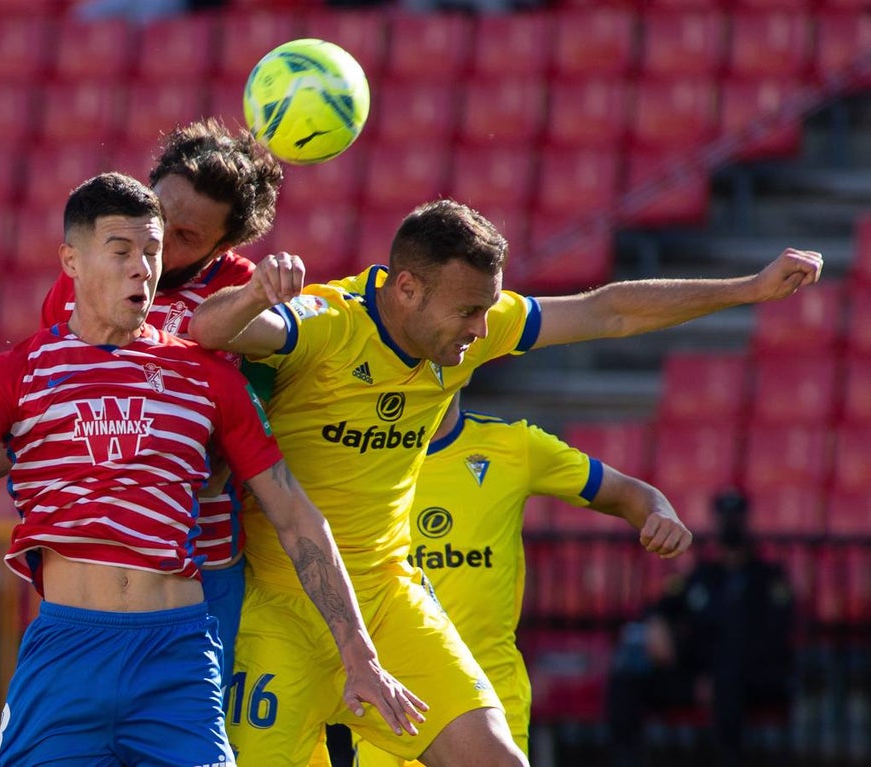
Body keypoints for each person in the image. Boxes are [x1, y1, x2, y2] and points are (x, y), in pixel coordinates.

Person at [186, 197, 822, 766]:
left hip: (385, 595)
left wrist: (749, 289)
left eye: (488, 309)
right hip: (279, 607)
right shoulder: (328, 322)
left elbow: (610, 313)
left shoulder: (467, 337)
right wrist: (255, 294)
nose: (483, 331)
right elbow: (210, 328)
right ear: (406, 289)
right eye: (468, 311)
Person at [0, 173, 424, 766]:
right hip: (67, 653)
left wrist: (360, 655)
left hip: (177, 658)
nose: (142, 269)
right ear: (71, 260)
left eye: (152, 253)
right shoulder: (18, 372)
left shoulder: (207, 377)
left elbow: (298, 519)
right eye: (121, 252)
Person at [0, 117, 283, 688]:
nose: (162, 243)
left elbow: (241, 435)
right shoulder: (79, 290)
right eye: (161, 214)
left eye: (186, 238)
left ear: (223, 247)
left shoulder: (245, 295)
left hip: (202, 565)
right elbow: (55, 427)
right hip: (94, 588)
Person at [346, 389, 692, 766]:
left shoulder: (513, 446)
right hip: (393, 698)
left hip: (491, 695)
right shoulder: (359, 457)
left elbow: (627, 492)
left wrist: (660, 512)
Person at [606, 489, 795, 767]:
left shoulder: (767, 578)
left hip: (751, 678)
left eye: (736, 518)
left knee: (728, 683)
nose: (730, 525)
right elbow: (660, 608)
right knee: (627, 680)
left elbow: (774, 636)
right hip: (696, 673)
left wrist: (720, 674)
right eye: (724, 518)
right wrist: (656, 626)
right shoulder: (702, 576)